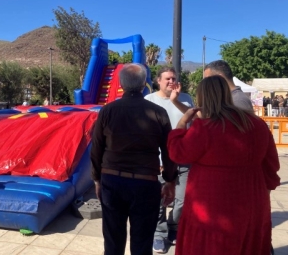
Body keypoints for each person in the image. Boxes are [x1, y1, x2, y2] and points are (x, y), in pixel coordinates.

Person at [167, 75, 280, 255]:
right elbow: (271, 165)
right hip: (252, 200)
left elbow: (177, 152)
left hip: (211, 203)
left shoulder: (205, 128)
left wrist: (181, 124)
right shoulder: (257, 124)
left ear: (202, 97)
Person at [91, 63, 177, 255]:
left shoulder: (107, 111)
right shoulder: (158, 112)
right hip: (145, 184)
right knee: (142, 243)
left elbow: (97, 148)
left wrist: (97, 179)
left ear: (121, 84)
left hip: (112, 181)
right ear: (144, 84)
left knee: (113, 242)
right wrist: (170, 181)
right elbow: (169, 150)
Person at [144, 66, 194, 253]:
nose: (172, 82)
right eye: (168, 79)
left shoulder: (187, 99)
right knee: (158, 201)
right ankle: (159, 233)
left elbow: (194, 123)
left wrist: (177, 100)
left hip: (184, 159)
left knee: (183, 200)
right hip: (158, 160)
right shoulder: (149, 100)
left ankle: (174, 227)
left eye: (174, 78)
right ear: (159, 81)